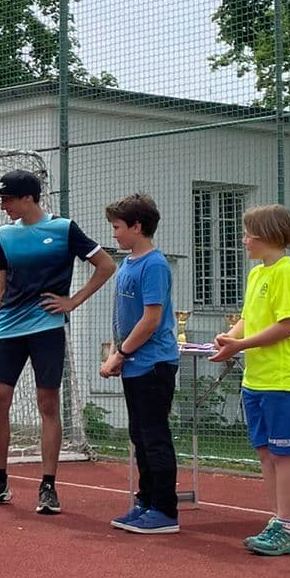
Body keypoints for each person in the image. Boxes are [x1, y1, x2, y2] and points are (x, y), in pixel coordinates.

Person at [0, 170, 116, 515]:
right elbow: (1, 287)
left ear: (28, 198)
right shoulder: (5, 234)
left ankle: (48, 486)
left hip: (47, 328)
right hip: (7, 329)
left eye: (7, 199)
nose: (3, 206)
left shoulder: (64, 229)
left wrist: (72, 302)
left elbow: (106, 265)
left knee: (47, 403)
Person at [213, 205, 290, 557]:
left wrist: (240, 345)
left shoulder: (287, 273)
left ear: (267, 235)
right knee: (265, 451)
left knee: (283, 453)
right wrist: (230, 338)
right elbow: (248, 318)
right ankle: (278, 521)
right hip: (256, 378)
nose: (244, 240)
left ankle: (287, 525)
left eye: (248, 234)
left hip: (283, 378)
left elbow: (287, 326)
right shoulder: (257, 274)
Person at [100, 194, 181, 534]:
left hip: (153, 364)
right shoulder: (127, 264)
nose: (114, 233)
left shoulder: (155, 265)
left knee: (154, 435)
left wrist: (121, 353)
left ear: (137, 227)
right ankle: (145, 501)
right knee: (140, 435)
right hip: (133, 363)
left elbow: (151, 319)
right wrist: (115, 352)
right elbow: (122, 316)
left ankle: (164, 509)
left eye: (118, 227)